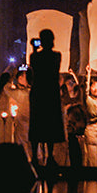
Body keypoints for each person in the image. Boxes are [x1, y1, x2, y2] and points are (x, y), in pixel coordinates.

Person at [27, 30, 64, 166]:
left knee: (38, 124)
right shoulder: (56, 56)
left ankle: (36, 157)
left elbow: (35, 68)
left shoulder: (35, 56)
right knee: (49, 124)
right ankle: (49, 156)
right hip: (50, 92)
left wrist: (35, 49)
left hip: (39, 92)